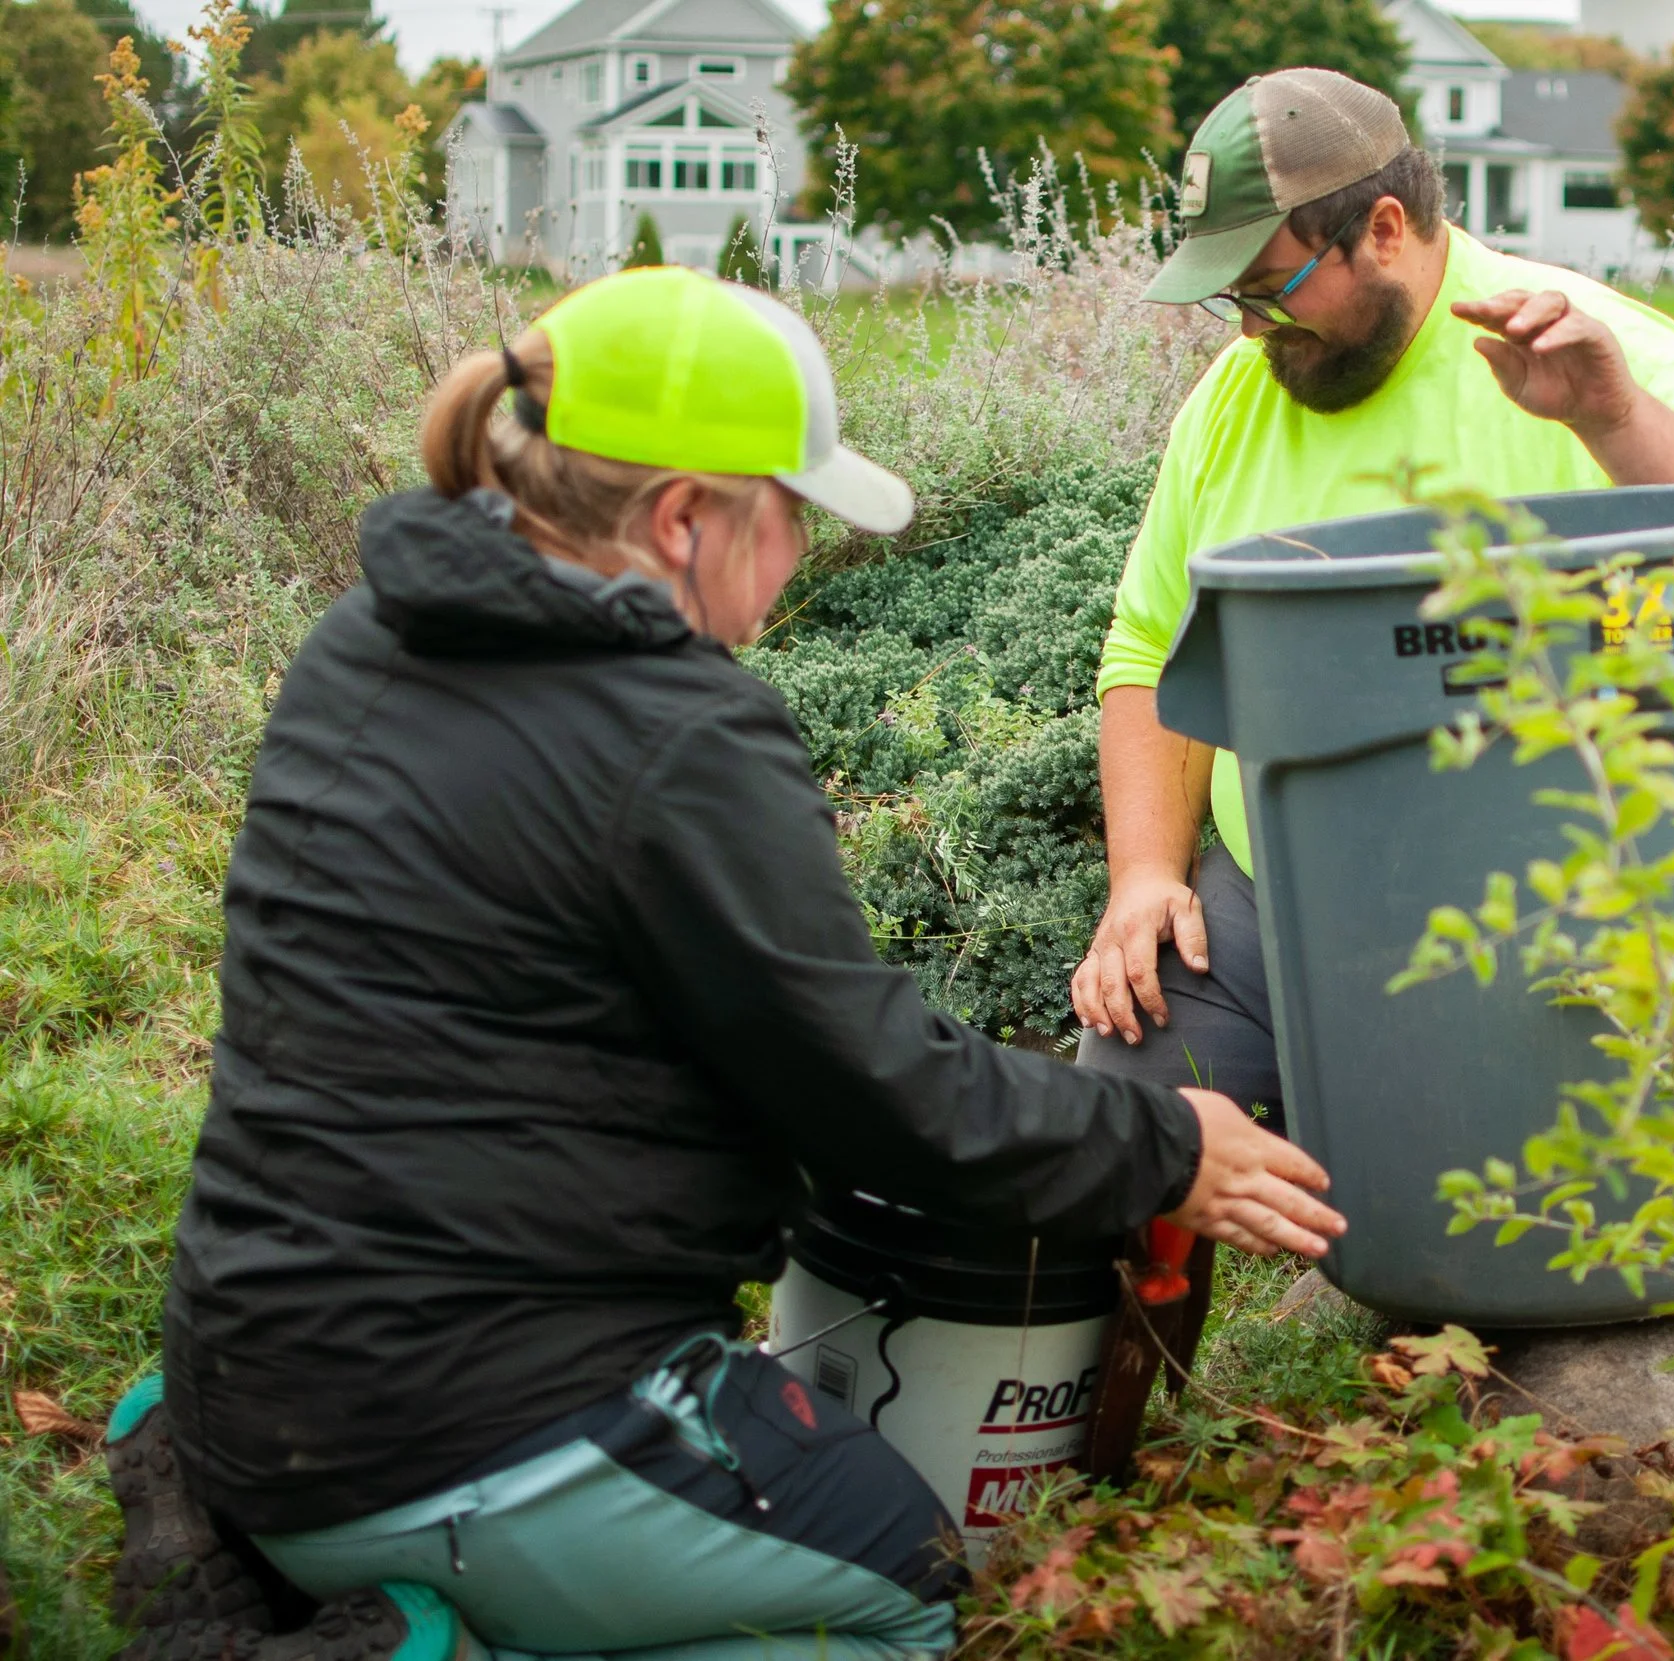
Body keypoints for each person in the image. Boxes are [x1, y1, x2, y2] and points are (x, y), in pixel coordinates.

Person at [108, 266, 1345, 1661]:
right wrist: (1166, 1142)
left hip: (250, 1379)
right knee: (908, 1588)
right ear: (687, 518)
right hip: (464, 1426)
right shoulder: (677, 734)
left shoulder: (368, 641)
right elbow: (879, 1095)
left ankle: (308, 1568)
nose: (800, 560)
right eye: (792, 518)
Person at [1071, 68, 1674, 1114]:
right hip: (1288, 892)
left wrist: (1612, 423)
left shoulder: (1586, 354)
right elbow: (1152, 648)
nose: (1246, 330)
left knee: (1622, 1220)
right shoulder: (1237, 399)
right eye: (1226, 299)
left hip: (1596, 896)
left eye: (1269, 287)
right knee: (1121, 1113)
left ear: (1382, 227)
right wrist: (1146, 874)